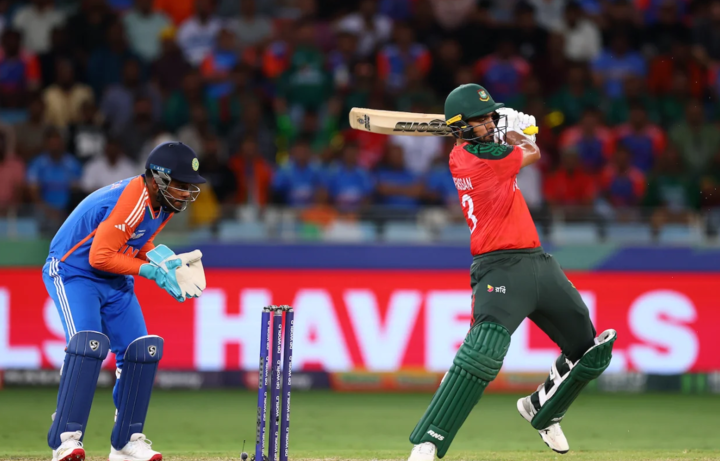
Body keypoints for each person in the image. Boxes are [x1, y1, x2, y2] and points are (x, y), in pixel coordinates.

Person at [407, 84, 616, 461]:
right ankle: (429, 442)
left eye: (491, 116)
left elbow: (509, 146)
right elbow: (533, 152)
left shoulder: (487, 149)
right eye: (481, 119)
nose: (490, 124)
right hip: (499, 267)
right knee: (483, 354)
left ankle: (542, 408)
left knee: (590, 351)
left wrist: (509, 132)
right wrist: (522, 133)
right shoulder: (470, 159)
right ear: (461, 127)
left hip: (538, 261)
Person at [44, 142, 207, 461]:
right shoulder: (133, 198)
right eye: (181, 184)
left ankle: (126, 442)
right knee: (87, 347)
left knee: (140, 352)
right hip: (73, 271)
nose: (187, 193)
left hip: (114, 278)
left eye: (190, 186)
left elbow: (138, 239)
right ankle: (65, 439)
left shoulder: (163, 204)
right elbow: (99, 256)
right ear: (158, 179)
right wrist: (151, 271)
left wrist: (164, 261)